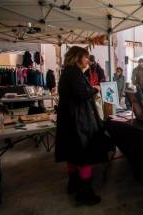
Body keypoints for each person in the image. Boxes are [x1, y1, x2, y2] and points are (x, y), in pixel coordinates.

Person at [55, 46, 112, 206]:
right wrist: (95, 89)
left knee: (73, 154)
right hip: (78, 121)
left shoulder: (68, 71)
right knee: (84, 154)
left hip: (71, 120)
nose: (88, 60)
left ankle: (73, 184)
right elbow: (82, 93)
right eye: (86, 57)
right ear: (77, 57)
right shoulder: (73, 72)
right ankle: (84, 192)